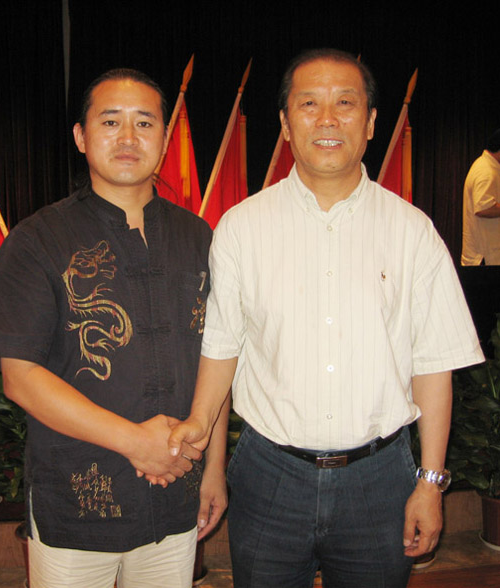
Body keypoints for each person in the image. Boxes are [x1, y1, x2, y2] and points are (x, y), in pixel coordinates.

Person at [169, 49, 485, 588]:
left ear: (371, 121)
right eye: (309, 104)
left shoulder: (413, 232)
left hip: (380, 480)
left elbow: (434, 364)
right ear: (285, 123)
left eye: (345, 103)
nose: (328, 119)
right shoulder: (241, 228)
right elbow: (222, 349)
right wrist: (207, 456)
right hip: (268, 475)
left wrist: (430, 483)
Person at [0, 69, 228, 588]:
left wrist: (215, 467)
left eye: (144, 123)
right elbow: (20, 378)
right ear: (81, 136)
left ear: (164, 139)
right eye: (110, 122)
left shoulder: (199, 237)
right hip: (76, 499)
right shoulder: (37, 240)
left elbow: (216, 357)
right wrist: (135, 442)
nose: (128, 137)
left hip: (177, 492)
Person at [461, 128, 500, 265]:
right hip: (484, 259)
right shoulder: (486, 171)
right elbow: (483, 208)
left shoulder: (488, 167)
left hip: (486, 257)